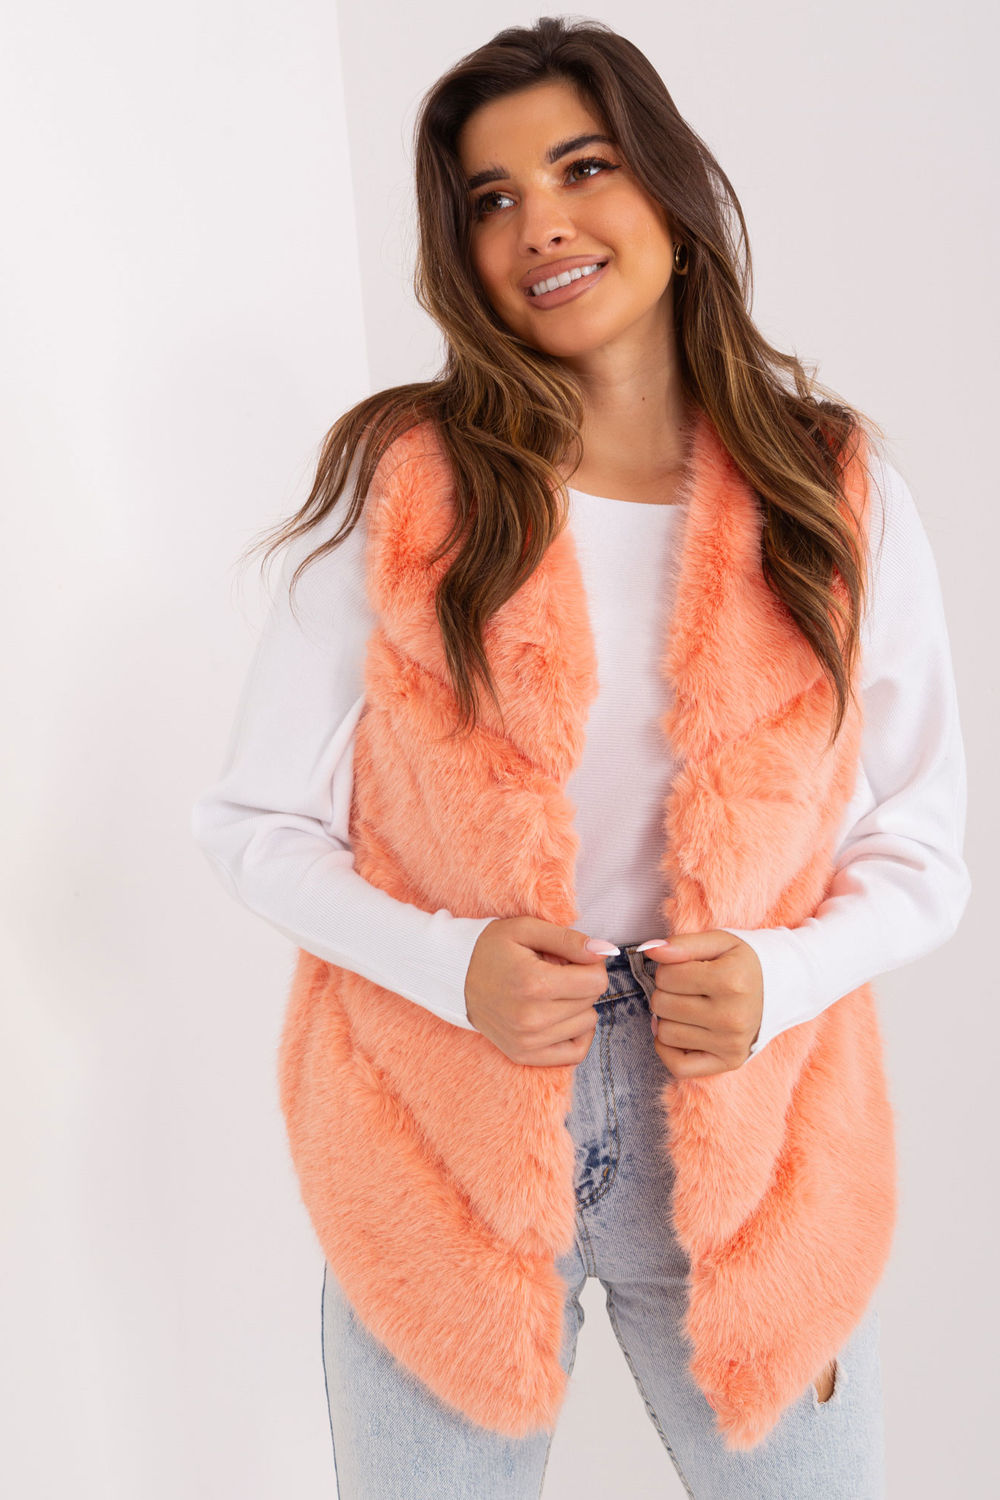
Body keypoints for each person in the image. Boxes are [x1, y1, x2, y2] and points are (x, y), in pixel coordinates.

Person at [191, 16, 970, 1498]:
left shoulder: (832, 487)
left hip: (755, 1125)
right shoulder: (407, 482)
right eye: (490, 199)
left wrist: (782, 974)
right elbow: (251, 820)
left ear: (668, 185)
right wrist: (452, 963)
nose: (539, 222)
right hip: (439, 1124)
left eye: (582, 166)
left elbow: (922, 849)